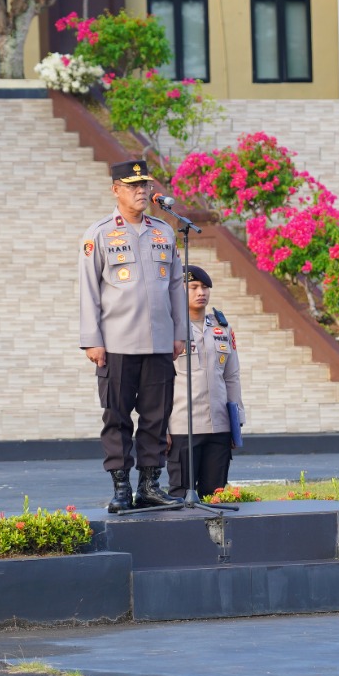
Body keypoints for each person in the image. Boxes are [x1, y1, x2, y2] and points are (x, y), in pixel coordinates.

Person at [79, 159, 187, 511]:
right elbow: (89, 290)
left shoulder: (164, 231)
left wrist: (179, 332)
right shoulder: (99, 233)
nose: (142, 191)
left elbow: (175, 286)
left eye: (145, 185)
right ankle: (122, 487)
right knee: (117, 417)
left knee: (157, 417)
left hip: (158, 342)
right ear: (116, 190)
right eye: (133, 186)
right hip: (117, 343)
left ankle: (151, 485)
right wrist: (92, 339)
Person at [168, 265, 245, 499]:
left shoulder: (222, 328)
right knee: (181, 497)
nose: (201, 292)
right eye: (193, 287)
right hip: (182, 426)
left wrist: (236, 421)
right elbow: (158, 382)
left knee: (216, 497)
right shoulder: (168, 328)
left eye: (204, 287)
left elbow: (231, 376)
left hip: (219, 426)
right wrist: (160, 427)